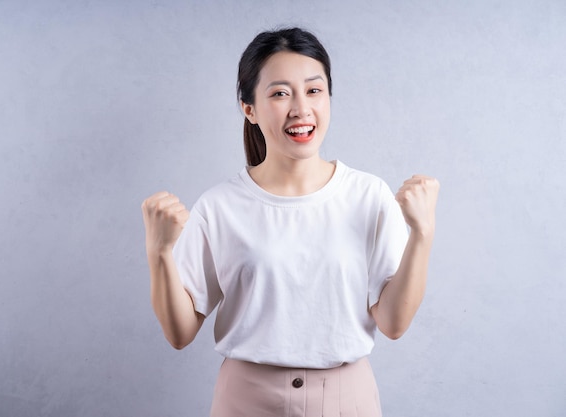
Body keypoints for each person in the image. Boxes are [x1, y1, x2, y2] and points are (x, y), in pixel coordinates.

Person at [141, 27, 439, 417]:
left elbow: (394, 323)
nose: (301, 109)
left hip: (347, 401)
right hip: (245, 401)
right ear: (249, 108)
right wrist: (159, 251)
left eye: (314, 90)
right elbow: (180, 333)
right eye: (280, 93)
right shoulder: (220, 206)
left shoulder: (369, 195)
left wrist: (423, 233)